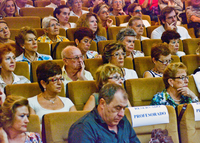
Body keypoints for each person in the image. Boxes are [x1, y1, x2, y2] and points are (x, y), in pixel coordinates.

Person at [69, 83, 141, 143]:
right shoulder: (83, 128)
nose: (121, 114)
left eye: (124, 108)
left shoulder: (123, 121)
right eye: (117, 108)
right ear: (102, 103)